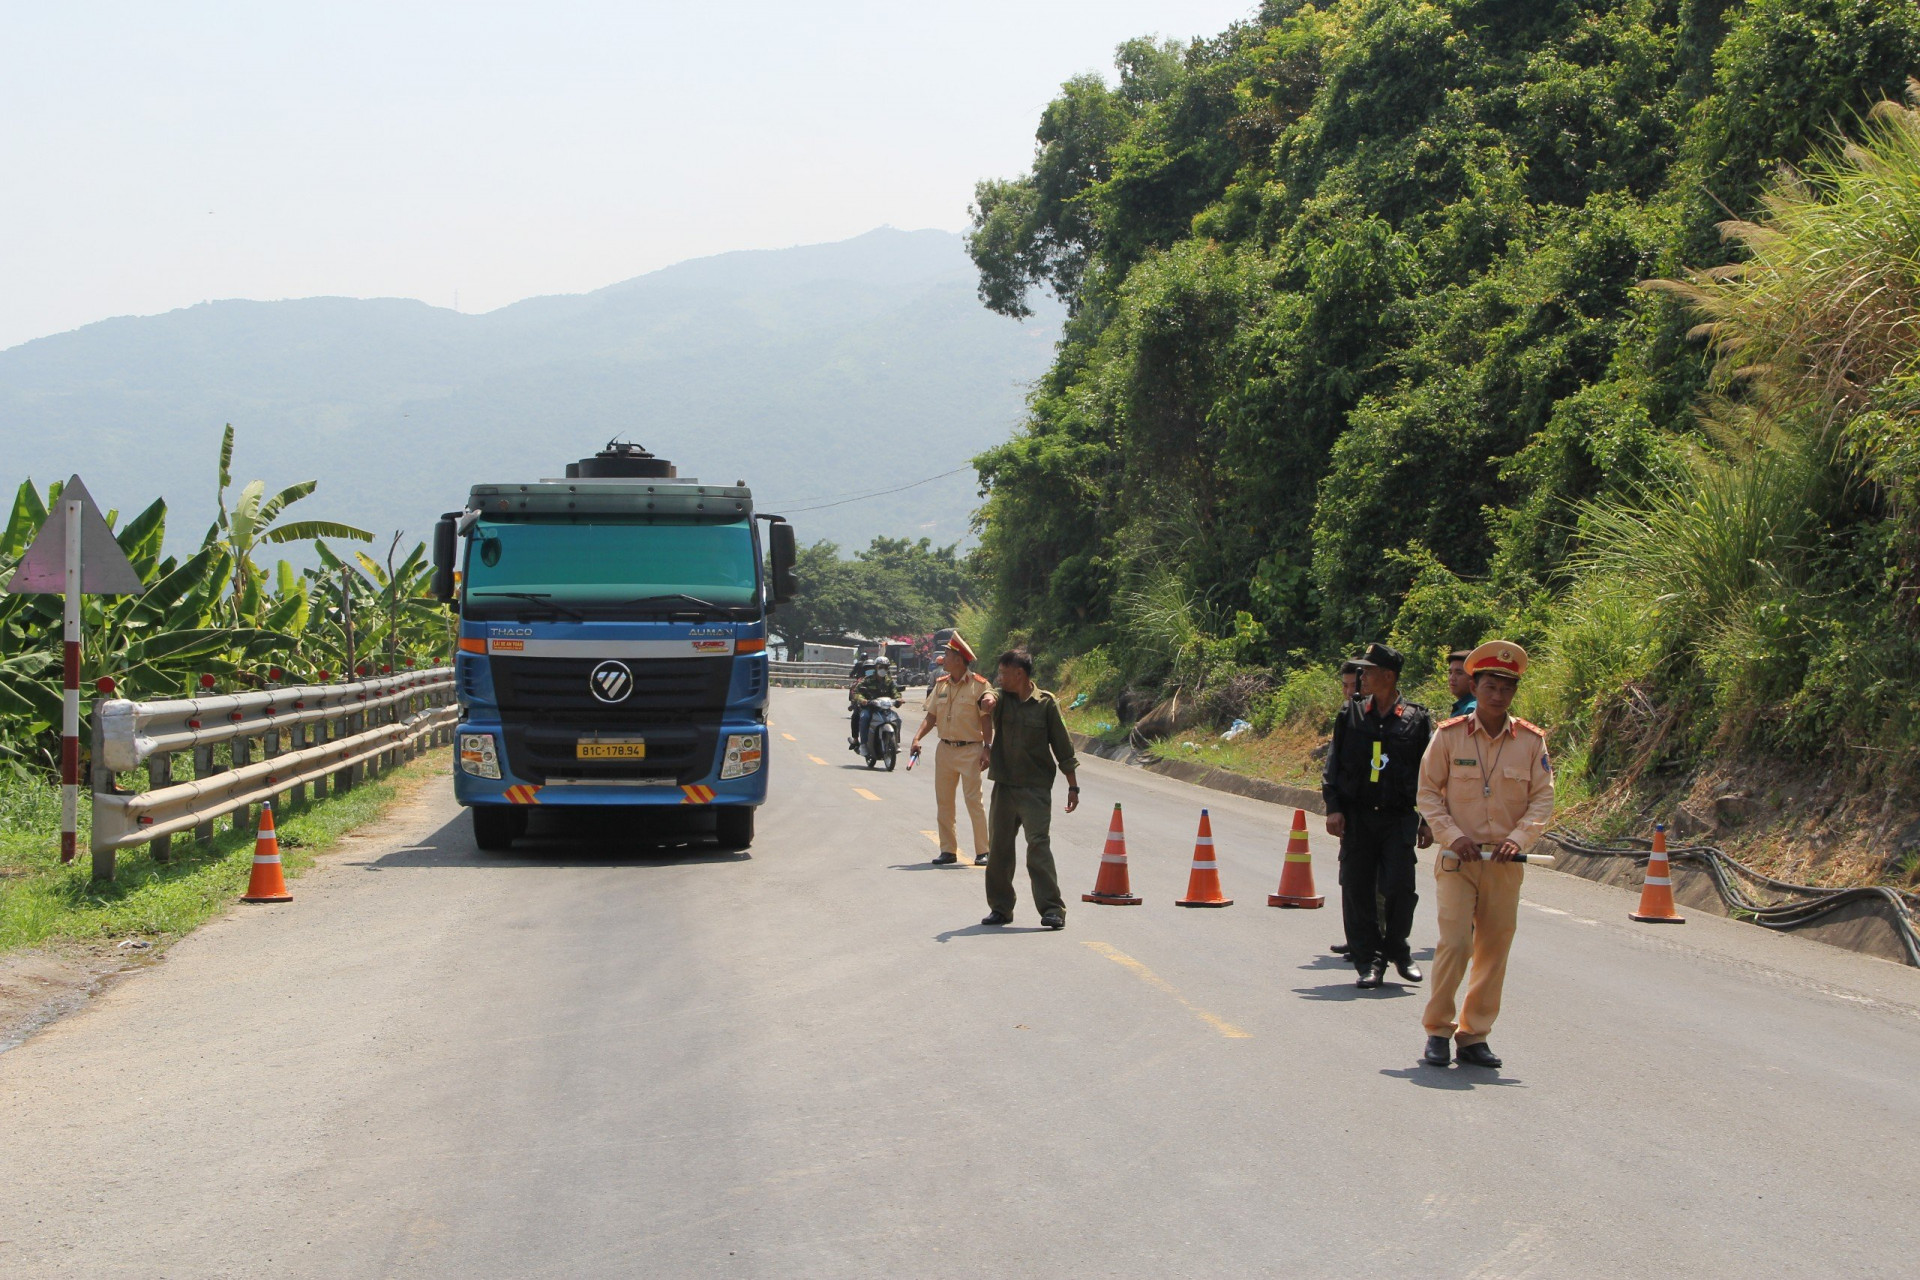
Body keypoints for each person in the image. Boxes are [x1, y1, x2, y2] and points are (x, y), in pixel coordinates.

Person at [1416, 640, 1555, 1069]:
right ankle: (1438, 1029)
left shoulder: (1531, 742)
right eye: (1491, 686)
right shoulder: (1448, 735)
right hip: (1459, 860)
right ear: (1476, 687)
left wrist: (1521, 836)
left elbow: (1542, 798)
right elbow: (1427, 793)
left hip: (1503, 864)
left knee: (1494, 950)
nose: (1498, 695)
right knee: (1456, 944)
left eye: (1507, 688)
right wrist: (1451, 835)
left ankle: (1474, 1035)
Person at [1322, 643, 1434, 989]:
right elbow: (1334, 762)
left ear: (1389, 676)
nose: (1362, 677)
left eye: (1368, 671)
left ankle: (1398, 949)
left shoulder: (1417, 719)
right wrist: (1334, 807)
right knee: (1357, 890)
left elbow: (1432, 774)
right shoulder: (1351, 714)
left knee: (1400, 887)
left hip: (1397, 817)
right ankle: (1368, 961)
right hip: (1358, 817)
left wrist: (1429, 819)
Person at [979, 649, 1080, 930]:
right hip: (1004, 787)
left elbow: (1063, 748)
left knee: (1038, 846)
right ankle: (1000, 908)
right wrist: (987, 701)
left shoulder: (1046, 704)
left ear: (1019, 674)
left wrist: (1073, 787)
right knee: (998, 849)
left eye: (1003, 673)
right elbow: (989, 697)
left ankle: (1052, 909)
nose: (999, 678)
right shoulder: (1001, 698)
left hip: (1035, 790)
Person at [910, 632, 996, 865]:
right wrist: (917, 738)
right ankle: (948, 850)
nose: (943, 658)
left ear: (959, 659)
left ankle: (983, 851)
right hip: (945, 750)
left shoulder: (979, 685)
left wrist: (987, 748)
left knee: (973, 801)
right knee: (944, 801)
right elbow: (931, 716)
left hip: (970, 749)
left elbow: (986, 720)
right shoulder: (941, 684)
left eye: (947, 654)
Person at [848, 657, 900, 752]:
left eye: (885, 667)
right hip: (869, 707)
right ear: (876, 667)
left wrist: (898, 699)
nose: (883, 669)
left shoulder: (889, 681)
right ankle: (863, 744)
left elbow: (895, 691)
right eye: (881, 667)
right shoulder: (867, 680)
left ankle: (896, 743)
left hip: (884, 708)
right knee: (864, 717)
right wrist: (862, 700)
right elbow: (856, 692)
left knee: (897, 719)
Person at [1446, 649, 1477, 718]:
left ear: (1473, 678)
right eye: (1450, 673)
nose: (1452, 678)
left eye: (1459, 673)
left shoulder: (1471, 709)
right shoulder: (1462, 706)